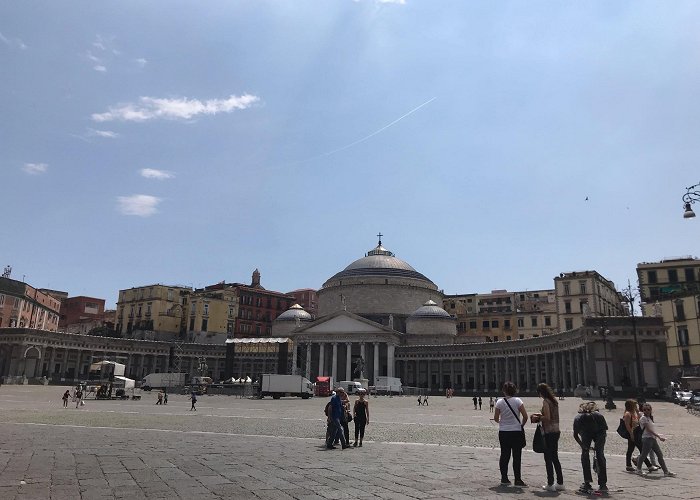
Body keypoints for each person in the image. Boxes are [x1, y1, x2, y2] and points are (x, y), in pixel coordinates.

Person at [531, 383, 564, 492]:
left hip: (549, 432)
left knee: (548, 458)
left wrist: (538, 418)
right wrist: (540, 414)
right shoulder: (554, 401)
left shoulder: (545, 401)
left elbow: (548, 418)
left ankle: (550, 484)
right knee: (555, 457)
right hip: (556, 431)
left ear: (541, 392)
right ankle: (560, 483)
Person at [493, 381, 528, 487]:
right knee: (517, 456)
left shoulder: (499, 402)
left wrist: (502, 422)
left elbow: (496, 418)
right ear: (514, 390)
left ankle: (504, 478)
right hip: (516, 432)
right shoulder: (518, 401)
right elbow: (525, 416)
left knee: (504, 455)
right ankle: (518, 480)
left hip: (504, 432)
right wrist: (520, 425)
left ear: (504, 391)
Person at [573, 401, 608, 493]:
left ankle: (587, 482)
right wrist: (598, 446)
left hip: (585, 432)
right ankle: (603, 483)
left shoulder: (578, 418)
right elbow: (604, 430)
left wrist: (583, 446)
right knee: (600, 455)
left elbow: (575, 435)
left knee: (585, 455)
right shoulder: (599, 416)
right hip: (600, 432)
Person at [635, 403, 675, 477]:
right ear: (643, 410)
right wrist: (658, 436)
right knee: (643, 454)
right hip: (647, 439)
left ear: (651, 410)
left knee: (660, 454)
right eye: (644, 410)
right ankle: (638, 469)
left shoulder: (649, 418)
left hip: (652, 439)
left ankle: (666, 471)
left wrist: (656, 436)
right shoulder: (643, 418)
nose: (646, 411)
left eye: (648, 409)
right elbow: (648, 429)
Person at [623, 399, 656, 472]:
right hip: (632, 434)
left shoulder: (633, 412)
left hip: (636, 433)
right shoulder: (628, 414)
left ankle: (629, 465)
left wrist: (637, 411)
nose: (636, 406)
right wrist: (631, 434)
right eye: (634, 405)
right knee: (641, 449)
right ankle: (649, 465)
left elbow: (639, 418)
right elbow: (627, 425)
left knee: (631, 449)